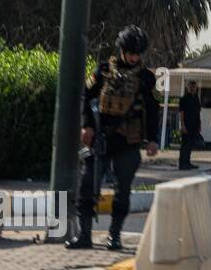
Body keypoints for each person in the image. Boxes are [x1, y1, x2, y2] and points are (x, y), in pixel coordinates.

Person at [67, 26, 160, 251]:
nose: (133, 57)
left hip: (128, 141)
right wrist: (86, 126)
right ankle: (85, 235)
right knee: (87, 186)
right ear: (122, 50)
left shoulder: (146, 78)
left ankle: (114, 235)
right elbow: (86, 97)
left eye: (137, 53)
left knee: (122, 191)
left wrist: (152, 139)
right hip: (99, 139)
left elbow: (152, 109)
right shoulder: (102, 71)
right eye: (130, 52)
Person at [177, 80, 202, 170]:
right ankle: (182, 164)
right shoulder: (183, 99)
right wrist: (182, 125)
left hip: (194, 125)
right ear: (187, 88)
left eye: (194, 87)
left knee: (190, 145)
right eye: (191, 87)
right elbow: (181, 113)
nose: (192, 88)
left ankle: (187, 162)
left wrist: (199, 125)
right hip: (186, 125)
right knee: (185, 145)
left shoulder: (196, 98)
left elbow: (198, 112)